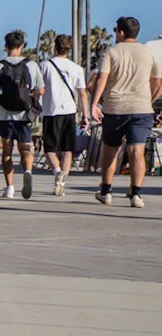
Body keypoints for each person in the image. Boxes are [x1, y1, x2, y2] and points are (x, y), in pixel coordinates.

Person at [89, 15, 161, 208]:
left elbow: (102, 79)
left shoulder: (110, 52)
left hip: (115, 108)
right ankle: (136, 194)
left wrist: (94, 104)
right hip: (141, 108)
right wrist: (150, 99)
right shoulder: (149, 52)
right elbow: (158, 82)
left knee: (111, 150)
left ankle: (106, 191)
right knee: (137, 150)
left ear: (121, 32)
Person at [0, 30, 41, 199]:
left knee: (7, 151)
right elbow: (40, 89)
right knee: (25, 147)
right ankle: (27, 170)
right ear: (22, 46)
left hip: (4, 114)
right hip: (24, 114)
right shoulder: (31, 65)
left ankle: (10, 187)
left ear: (5, 46)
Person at [39, 32, 87, 197]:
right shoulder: (77, 68)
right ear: (70, 49)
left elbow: (39, 89)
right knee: (68, 150)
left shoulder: (44, 66)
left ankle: (57, 172)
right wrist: (85, 115)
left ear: (54, 47)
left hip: (50, 111)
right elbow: (82, 94)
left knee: (49, 149)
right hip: (69, 112)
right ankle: (62, 182)